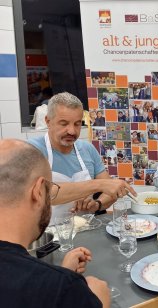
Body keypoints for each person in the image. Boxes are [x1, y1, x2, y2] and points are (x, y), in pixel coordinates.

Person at [0, 139, 110, 308]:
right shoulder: (62, 288)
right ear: (38, 192)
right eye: (50, 191)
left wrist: (63, 272)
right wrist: (99, 301)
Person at [28, 92, 136, 224]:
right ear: (48, 121)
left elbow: (110, 191)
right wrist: (97, 185)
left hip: (86, 230)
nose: (72, 131)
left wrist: (97, 204)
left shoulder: (87, 149)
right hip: (47, 235)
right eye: (64, 123)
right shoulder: (33, 151)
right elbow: (43, 193)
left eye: (77, 124)